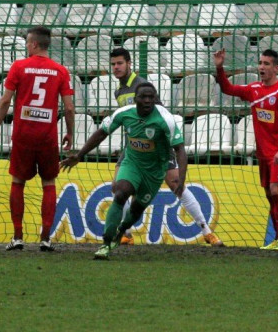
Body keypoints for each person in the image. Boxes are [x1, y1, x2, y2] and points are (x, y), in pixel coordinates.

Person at [61, 82, 186, 260]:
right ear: (136, 99)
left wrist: (181, 178)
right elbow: (102, 132)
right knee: (120, 193)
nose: (148, 100)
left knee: (136, 209)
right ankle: (105, 243)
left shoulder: (165, 119)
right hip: (132, 163)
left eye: (152, 97)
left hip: (155, 171)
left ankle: (121, 230)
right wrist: (80, 155)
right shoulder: (124, 113)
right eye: (144, 97)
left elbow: (180, 149)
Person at [110, 47, 221, 246]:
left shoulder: (142, 86)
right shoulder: (119, 90)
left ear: (129, 63)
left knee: (176, 185)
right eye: (113, 64)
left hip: (157, 146)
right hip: (134, 146)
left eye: (119, 63)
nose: (116, 67)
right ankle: (125, 233)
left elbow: (159, 115)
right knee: (117, 186)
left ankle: (206, 231)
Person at [0, 26, 74, 252]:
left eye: (28, 43)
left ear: (34, 44)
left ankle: (18, 237)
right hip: (47, 137)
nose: (27, 47)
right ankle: (45, 238)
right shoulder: (60, 71)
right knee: (49, 183)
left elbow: (5, 101)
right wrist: (70, 133)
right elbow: (68, 108)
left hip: (23, 135)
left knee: (18, 181)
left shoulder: (19, 67)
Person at [213, 48, 278, 250]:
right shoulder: (254, 89)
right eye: (260, 63)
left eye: (266, 64)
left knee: (277, 191)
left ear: (276, 68)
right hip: (263, 152)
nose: (261, 67)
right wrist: (219, 67)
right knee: (270, 195)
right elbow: (227, 89)